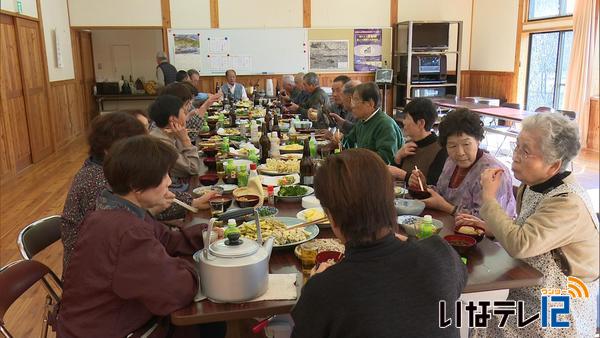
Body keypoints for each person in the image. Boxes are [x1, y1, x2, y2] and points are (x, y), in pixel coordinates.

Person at [57, 135, 226, 338]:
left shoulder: (112, 209)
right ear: (137, 186)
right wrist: (192, 266)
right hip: (113, 329)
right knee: (212, 320)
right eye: (164, 175)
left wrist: (208, 235)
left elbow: (167, 240)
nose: (169, 181)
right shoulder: (127, 233)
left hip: (100, 320)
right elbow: (177, 290)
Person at [291, 148, 467, 338]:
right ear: (391, 200)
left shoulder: (323, 290)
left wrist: (316, 285)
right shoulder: (440, 253)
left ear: (331, 217)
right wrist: (407, 241)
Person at [471, 113, 599, 338]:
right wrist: (489, 227)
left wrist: (489, 200)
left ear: (554, 165)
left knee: (480, 322)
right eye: (517, 146)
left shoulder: (568, 203)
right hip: (530, 288)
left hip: (558, 305)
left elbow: (521, 244)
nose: (515, 156)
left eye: (525, 151)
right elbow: (526, 229)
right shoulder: (532, 185)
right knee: (477, 320)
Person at [60, 112, 216, 269]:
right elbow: (128, 232)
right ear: (110, 149)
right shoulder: (98, 184)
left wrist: (191, 202)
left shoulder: (109, 173)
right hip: (98, 271)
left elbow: (146, 201)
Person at [409, 108, 516, 218]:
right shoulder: (451, 161)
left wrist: (446, 207)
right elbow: (442, 194)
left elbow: (489, 222)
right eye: (452, 146)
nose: (460, 153)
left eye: (466, 144)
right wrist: (423, 187)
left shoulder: (493, 172)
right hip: (448, 225)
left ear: (478, 140)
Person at [388, 98, 447, 185]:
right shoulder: (409, 144)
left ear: (421, 123)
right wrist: (398, 157)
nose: (403, 122)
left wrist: (404, 175)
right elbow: (393, 178)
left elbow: (433, 186)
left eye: (406, 118)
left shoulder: (440, 150)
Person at [342, 82, 403, 164]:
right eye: (352, 100)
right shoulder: (362, 121)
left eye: (356, 100)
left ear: (370, 103)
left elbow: (386, 158)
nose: (352, 106)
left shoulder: (385, 124)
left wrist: (357, 158)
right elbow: (349, 141)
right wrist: (338, 139)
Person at [148, 95, 202, 190]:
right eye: (184, 112)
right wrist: (185, 140)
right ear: (172, 119)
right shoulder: (159, 143)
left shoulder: (171, 133)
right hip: (174, 191)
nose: (186, 114)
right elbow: (193, 168)